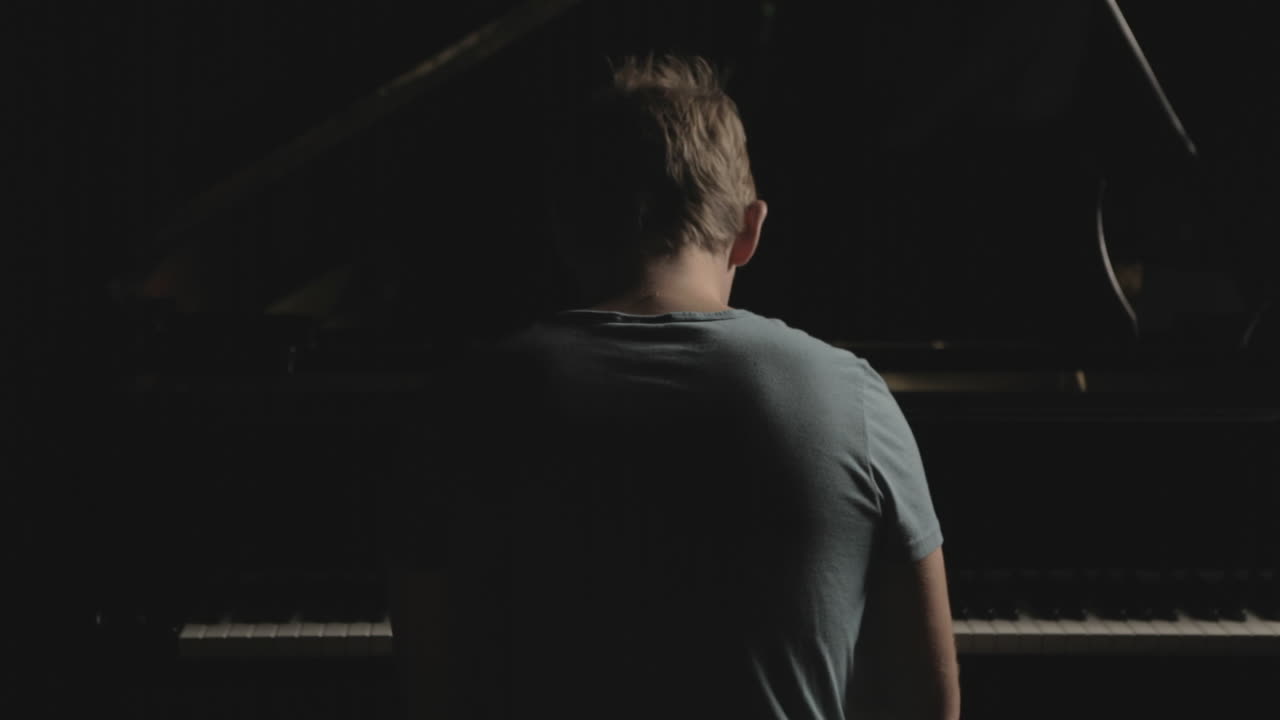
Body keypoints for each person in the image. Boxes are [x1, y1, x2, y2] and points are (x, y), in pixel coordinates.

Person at [389, 54, 959, 720]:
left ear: (563, 227)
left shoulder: (459, 406)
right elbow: (931, 702)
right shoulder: (854, 399)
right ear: (750, 230)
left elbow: (431, 696)